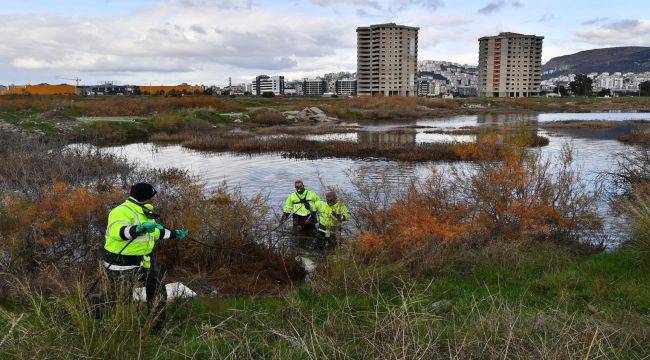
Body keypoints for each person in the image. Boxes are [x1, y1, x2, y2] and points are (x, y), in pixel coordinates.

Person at [103, 182, 188, 309]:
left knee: (158, 294)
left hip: (145, 261)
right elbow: (118, 232)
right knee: (120, 301)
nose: (152, 200)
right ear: (145, 197)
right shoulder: (120, 211)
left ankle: (156, 325)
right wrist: (138, 229)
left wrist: (174, 234)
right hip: (121, 264)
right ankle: (115, 324)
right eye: (151, 197)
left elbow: (153, 233)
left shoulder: (145, 212)